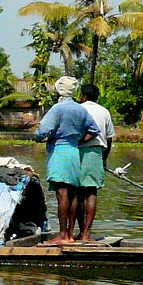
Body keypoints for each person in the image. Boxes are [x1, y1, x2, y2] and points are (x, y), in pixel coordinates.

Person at [32, 76, 97, 245]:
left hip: (60, 151)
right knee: (73, 193)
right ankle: (69, 233)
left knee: (62, 193)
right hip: (74, 152)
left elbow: (43, 130)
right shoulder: (81, 110)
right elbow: (94, 129)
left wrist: (39, 137)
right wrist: (79, 139)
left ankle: (62, 235)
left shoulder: (58, 108)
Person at [76, 83, 116, 243]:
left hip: (78, 150)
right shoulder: (104, 112)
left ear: (83, 96)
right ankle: (86, 233)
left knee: (78, 194)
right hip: (96, 152)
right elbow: (109, 138)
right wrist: (104, 159)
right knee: (91, 192)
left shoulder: (78, 109)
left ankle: (80, 232)